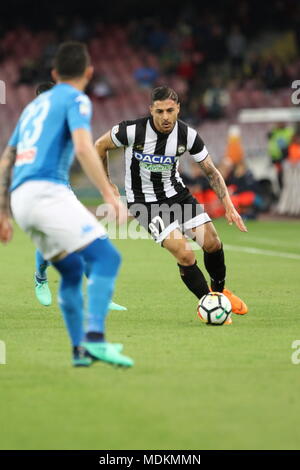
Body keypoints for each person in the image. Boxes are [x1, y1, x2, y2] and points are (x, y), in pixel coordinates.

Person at [0, 41, 133, 367]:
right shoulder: (75, 98)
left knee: (72, 271)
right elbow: (85, 147)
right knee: (106, 258)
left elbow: (7, 158)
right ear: (88, 72)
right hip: (47, 190)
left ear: (55, 73)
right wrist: (108, 193)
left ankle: (79, 350)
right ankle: (96, 339)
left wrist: (3, 211)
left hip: (21, 198)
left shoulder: (32, 108)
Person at [95, 86, 248, 322]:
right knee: (184, 254)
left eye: (169, 110)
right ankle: (210, 302)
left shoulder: (187, 135)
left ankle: (219, 293)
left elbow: (211, 172)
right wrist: (108, 185)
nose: (165, 117)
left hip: (177, 195)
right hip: (144, 203)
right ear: (151, 110)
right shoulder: (132, 130)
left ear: (178, 109)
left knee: (213, 243)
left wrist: (228, 205)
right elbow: (99, 146)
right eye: (159, 111)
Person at [33, 83, 127, 312]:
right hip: (39, 190)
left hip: (63, 189)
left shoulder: (66, 122)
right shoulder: (34, 126)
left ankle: (100, 296)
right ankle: (41, 277)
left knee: (86, 238)